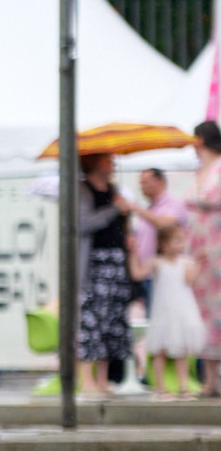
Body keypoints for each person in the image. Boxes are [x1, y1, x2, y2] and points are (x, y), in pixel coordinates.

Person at [77, 152, 132, 395]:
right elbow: (83, 223)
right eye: (108, 160)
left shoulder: (114, 190)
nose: (113, 164)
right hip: (95, 264)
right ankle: (86, 380)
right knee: (91, 320)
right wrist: (113, 209)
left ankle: (103, 378)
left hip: (116, 261)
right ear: (96, 162)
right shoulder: (82, 191)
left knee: (111, 321)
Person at [135, 224, 202, 399]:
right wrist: (133, 253)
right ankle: (159, 388)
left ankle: (183, 387)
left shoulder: (185, 262)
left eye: (183, 240)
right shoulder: (156, 262)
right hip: (163, 313)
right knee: (160, 351)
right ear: (164, 244)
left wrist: (198, 263)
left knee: (181, 352)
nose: (182, 244)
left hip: (181, 312)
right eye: (178, 240)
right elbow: (138, 274)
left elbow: (190, 280)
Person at [186, 122, 221, 396]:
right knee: (204, 314)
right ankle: (210, 380)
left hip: (217, 248)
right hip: (199, 252)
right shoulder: (201, 171)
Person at [129, 168, 189, 312]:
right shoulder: (149, 209)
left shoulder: (174, 205)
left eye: (145, 182)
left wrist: (136, 209)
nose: (141, 186)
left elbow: (163, 224)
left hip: (168, 277)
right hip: (148, 274)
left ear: (158, 181)